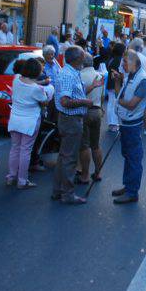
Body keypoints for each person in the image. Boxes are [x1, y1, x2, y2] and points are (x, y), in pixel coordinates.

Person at [52, 46, 103, 205]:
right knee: (69, 159)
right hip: (71, 120)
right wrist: (85, 102)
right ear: (77, 59)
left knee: (64, 156)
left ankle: (58, 190)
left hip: (71, 119)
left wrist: (91, 88)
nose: (85, 59)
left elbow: (75, 93)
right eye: (82, 57)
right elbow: (65, 101)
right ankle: (67, 194)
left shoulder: (71, 72)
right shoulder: (68, 75)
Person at [7, 58, 53, 189]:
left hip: (15, 119)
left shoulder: (16, 79)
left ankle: (11, 176)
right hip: (30, 122)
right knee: (25, 150)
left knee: (15, 148)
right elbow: (45, 101)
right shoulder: (36, 89)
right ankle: (22, 180)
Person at [110, 51, 146, 204]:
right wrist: (118, 81)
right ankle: (128, 186)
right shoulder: (130, 76)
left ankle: (132, 192)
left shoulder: (142, 79)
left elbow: (132, 105)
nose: (122, 65)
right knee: (128, 156)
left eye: (125, 62)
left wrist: (118, 101)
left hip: (132, 124)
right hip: (125, 122)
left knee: (133, 157)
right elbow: (119, 93)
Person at [77, 53, 106, 185]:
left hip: (84, 110)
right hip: (96, 110)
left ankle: (85, 174)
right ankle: (98, 172)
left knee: (84, 146)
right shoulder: (99, 75)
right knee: (96, 144)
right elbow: (101, 95)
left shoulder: (79, 76)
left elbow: (78, 95)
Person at [105, 42, 126, 133]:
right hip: (116, 83)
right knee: (114, 103)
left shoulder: (111, 58)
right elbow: (121, 73)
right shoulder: (119, 60)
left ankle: (112, 123)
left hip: (110, 83)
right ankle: (114, 123)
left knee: (111, 103)